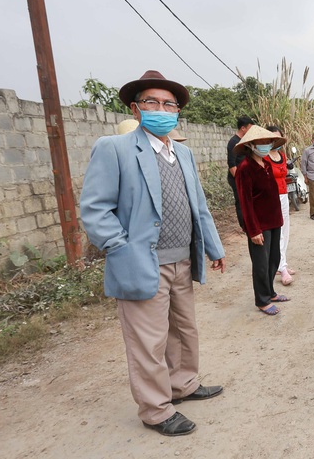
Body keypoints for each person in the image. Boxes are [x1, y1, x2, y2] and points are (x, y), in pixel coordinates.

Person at [80, 70, 226, 436]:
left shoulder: (185, 154)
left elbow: (200, 207)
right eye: (152, 102)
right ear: (136, 107)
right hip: (141, 263)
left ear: (177, 112)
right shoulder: (115, 149)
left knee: (183, 331)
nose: (161, 109)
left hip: (181, 261)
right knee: (148, 341)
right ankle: (156, 410)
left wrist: (213, 246)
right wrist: (120, 247)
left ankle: (183, 385)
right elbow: (94, 209)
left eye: (169, 104)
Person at [235, 125, 291, 315]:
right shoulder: (245, 169)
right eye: (262, 142)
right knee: (261, 262)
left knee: (273, 259)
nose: (266, 145)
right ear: (251, 145)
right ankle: (262, 300)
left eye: (268, 142)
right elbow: (246, 203)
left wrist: (280, 218)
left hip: (274, 220)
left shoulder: (266, 164)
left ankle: (271, 292)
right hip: (259, 225)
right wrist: (253, 230)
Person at [264, 125, 296, 286]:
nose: (275, 141)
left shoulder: (281, 155)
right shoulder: (263, 157)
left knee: (285, 230)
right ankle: (281, 267)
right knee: (278, 233)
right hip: (270, 198)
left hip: (284, 196)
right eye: (272, 137)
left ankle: (281, 262)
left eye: (278, 138)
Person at [227, 116, 256, 229]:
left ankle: (250, 222)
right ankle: (244, 225)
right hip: (236, 178)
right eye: (250, 128)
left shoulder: (245, 141)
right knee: (241, 201)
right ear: (243, 128)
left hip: (246, 177)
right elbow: (232, 164)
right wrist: (239, 180)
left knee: (248, 200)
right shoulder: (233, 142)